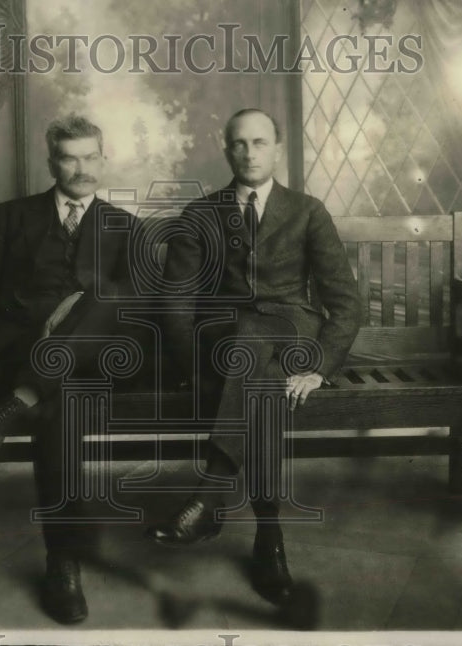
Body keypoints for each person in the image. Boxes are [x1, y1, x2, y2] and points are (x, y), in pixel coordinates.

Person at [149, 108, 361, 607]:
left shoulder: (308, 211)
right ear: (227, 151)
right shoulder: (201, 215)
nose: (249, 153)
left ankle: (210, 497)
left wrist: (319, 367)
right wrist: (193, 369)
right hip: (227, 344)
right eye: (239, 144)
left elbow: (345, 304)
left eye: (259, 143)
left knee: (256, 348)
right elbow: (175, 302)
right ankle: (269, 538)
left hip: (293, 336)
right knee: (255, 367)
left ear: (277, 149)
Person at [0, 114, 137, 625]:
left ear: (103, 159)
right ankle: (64, 562)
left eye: (90, 157)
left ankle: (18, 405)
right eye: (69, 157)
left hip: (101, 355)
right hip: (22, 353)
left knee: (109, 295)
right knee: (64, 406)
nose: (81, 168)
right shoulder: (11, 217)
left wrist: (77, 311)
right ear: (51, 161)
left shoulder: (125, 225)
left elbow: (138, 309)